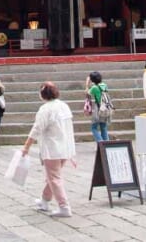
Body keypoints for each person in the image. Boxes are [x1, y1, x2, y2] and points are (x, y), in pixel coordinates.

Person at [22, 81, 77, 218]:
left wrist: (26, 146)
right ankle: (44, 200)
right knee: (52, 176)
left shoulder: (45, 109)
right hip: (65, 146)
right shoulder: (64, 106)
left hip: (52, 147)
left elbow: (37, 128)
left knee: (54, 177)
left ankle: (64, 206)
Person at [85, 71, 110, 142]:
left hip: (98, 108)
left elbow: (87, 93)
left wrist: (87, 84)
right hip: (105, 107)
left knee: (94, 128)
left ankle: (101, 143)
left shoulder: (94, 88)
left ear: (92, 80)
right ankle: (106, 144)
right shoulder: (104, 85)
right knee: (103, 127)